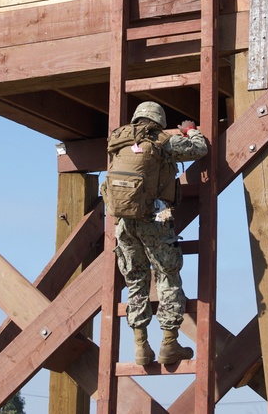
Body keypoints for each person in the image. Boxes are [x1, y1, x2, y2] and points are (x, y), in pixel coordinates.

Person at [105, 101, 208, 365]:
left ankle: (141, 347)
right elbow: (200, 148)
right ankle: (169, 345)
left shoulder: (118, 140)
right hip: (156, 220)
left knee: (136, 280)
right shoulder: (162, 141)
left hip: (124, 223)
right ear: (159, 121)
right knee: (167, 277)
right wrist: (190, 131)